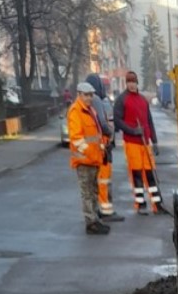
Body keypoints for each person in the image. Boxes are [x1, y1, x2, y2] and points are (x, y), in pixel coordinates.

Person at [112, 71, 162, 214]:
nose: (132, 84)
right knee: (137, 174)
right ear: (126, 83)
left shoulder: (143, 100)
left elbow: (149, 121)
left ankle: (157, 204)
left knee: (150, 172)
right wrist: (133, 130)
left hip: (145, 142)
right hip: (132, 142)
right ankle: (140, 204)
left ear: (137, 83)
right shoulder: (122, 100)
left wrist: (155, 141)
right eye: (129, 82)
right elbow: (118, 121)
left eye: (134, 81)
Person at [67, 82, 109, 235]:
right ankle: (91, 222)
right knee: (87, 192)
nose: (90, 98)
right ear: (79, 95)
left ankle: (95, 219)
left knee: (93, 191)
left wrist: (102, 150)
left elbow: (96, 135)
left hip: (94, 159)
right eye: (86, 95)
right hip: (84, 161)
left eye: (91, 95)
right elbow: (76, 139)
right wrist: (90, 153)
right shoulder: (75, 111)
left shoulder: (90, 110)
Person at [85, 73, 123, 222]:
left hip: (95, 149)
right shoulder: (96, 100)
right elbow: (102, 122)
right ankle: (106, 211)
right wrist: (111, 132)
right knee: (104, 180)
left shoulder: (86, 101)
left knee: (98, 182)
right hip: (103, 148)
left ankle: (100, 210)